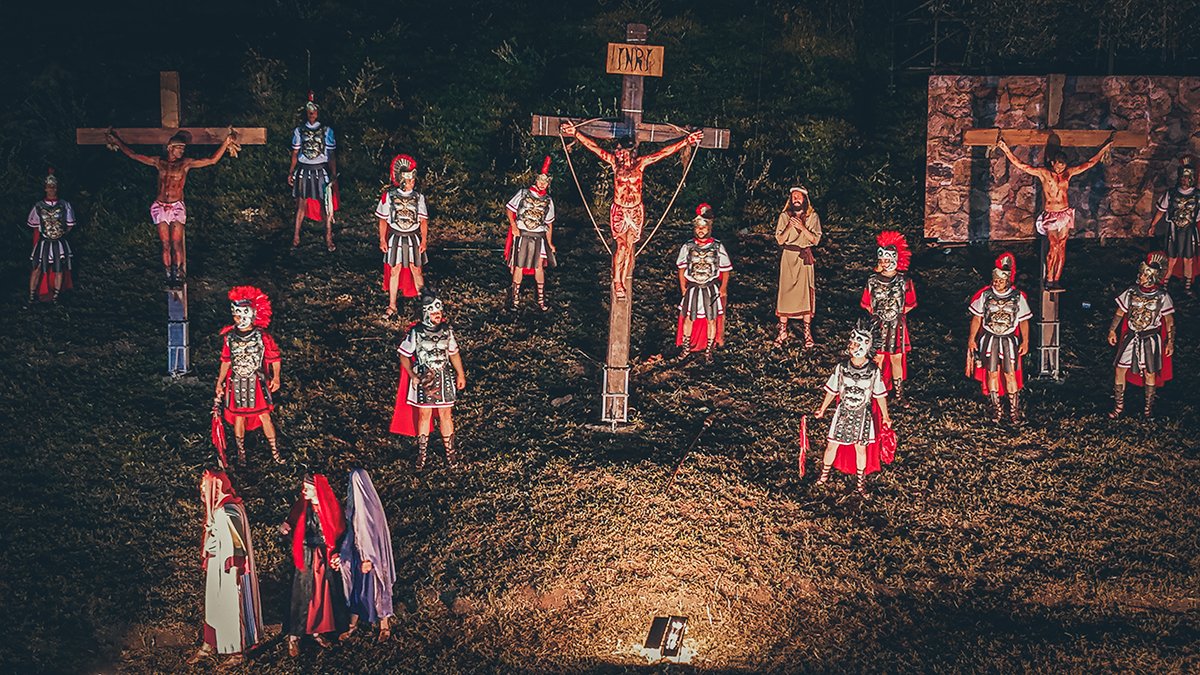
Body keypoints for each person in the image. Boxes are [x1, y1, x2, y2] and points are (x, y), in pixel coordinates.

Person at [560, 123, 703, 299]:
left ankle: (623, 278)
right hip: (620, 210)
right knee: (621, 246)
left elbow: (663, 153)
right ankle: (617, 280)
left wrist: (686, 141)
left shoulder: (640, 164)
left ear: (628, 151)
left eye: (621, 150)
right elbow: (594, 147)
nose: (618, 152)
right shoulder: (615, 163)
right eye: (618, 150)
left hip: (635, 211)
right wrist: (575, 133)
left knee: (629, 248)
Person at [107, 128, 238, 285]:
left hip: (176, 206)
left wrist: (226, 142)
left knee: (176, 243)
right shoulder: (159, 162)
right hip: (160, 205)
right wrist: (117, 142)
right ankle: (168, 273)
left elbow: (211, 160)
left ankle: (179, 273)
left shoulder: (185, 164)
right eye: (179, 148)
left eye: (183, 148)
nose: (182, 151)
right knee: (165, 243)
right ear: (170, 148)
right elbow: (134, 155)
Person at [997, 138, 1113, 288]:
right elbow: (1021, 165)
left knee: (1062, 246)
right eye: (1058, 167)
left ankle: (1056, 279)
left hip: (1064, 213)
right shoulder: (1044, 173)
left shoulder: (1068, 173)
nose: (1059, 170)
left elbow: (1089, 163)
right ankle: (1049, 278)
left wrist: (1104, 149)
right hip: (1051, 214)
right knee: (1054, 245)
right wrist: (1005, 148)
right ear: (1053, 163)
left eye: (1062, 167)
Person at [187, 470, 263, 667]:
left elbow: (236, 545)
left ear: (216, 487)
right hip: (217, 564)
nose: (201, 489)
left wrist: (234, 568)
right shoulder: (222, 507)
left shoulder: (227, 510)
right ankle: (209, 644)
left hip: (228, 569)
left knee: (230, 606)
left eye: (205, 485)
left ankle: (237, 652)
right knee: (213, 603)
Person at [813, 322, 893, 499]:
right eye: (852, 342)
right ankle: (823, 476)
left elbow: (880, 395)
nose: (853, 346)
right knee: (832, 445)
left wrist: (886, 416)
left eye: (858, 343)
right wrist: (822, 409)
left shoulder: (873, 371)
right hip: (842, 413)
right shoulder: (841, 367)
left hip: (863, 415)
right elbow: (832, 390)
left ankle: (860, 484)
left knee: (861, 449)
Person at [389, 293, 467, 470]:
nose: (437, 315)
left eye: (439, 312)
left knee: (446, 414)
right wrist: (412, 375)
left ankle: (450, 452)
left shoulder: (447, 331)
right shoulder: (416, 333)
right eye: (434, 312)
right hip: (426, 378)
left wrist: (460, 374)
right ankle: (422, 453)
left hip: (444, 377)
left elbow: (453, 353)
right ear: (426, 313)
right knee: (424, 414)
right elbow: (404, 354)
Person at [281, 474, 348, 657]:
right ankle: (294, 636)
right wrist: (287, 527)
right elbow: (292, 521)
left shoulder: (331, 506)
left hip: (324, 555)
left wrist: (336, 551)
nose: (304, 491)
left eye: (308, 488)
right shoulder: (302, 506)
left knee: (321, 593)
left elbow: (339, 530)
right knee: (302, 593)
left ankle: (317, 630)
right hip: (305, 555)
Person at [215, 286, 283, 464]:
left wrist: (276, 377)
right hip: (236, 382)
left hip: (257, 382)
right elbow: (226, 360)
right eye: (234, 315)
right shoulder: (230, 337)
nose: (236, 319)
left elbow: (274, 358)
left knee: (265, 416)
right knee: (239, 417)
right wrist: (220, 382)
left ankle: (275, 452)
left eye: (239, 315)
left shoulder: (262, 336)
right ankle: (241, 453)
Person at [966, 253, 1032, 424]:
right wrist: (972, 339)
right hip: (990, 339)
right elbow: (977, 318)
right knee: (992, 373)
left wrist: (1025, 341)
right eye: (995, 280)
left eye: (1000, 281)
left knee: (1010, 374)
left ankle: (1014, 410)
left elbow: (1024, 321)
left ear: (1007, 280)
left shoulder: (1017, 297)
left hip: (1008, 340)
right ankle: (996, 408)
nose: (997, 283)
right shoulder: (985, 295)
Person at [1107, 253, 1175, 418]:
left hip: (1150, 339)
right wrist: (1112, 330)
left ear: (1152, 277)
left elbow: (1169, 320)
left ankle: (1147, 410)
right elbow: (1120, 312)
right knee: (1120, 369)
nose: (1141, 276)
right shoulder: (1131, 291)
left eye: (1144, 274)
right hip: (1131, 337)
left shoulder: (1162, 296)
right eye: (1141, 273)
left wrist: (1170, 342)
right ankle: (1119, 407)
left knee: (1150, 373)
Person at [338, 469, 396, 643]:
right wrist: (345, 554)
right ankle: (352, 624)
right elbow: (352, 532)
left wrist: (369, 559)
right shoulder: (355, 507)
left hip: (371, 557)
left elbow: (372, 535)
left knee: (377, 588)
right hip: (357, 554)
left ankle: (384, 625)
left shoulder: (371, 508)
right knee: (357, 588)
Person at [860, 231, 917, 401]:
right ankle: (876, 389)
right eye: (882, 260)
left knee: (896, 358)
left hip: (896, 325)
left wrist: (896, 316)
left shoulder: (904, 281)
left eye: (887, 259)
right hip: (878, 324)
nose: (884, 263)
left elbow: (910, 303)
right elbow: (867, 303)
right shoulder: (872, 281)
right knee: (877, 357)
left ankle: (899, 393)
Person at [674, 203, 732, 362]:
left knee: (711, 319)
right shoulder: (688, 246)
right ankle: (686, 348)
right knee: (689, 318)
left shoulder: (717, 247)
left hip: (710, 288)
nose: (701, 230)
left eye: (704, 227)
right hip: (693, 288)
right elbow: (681, 268)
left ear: (709, 228)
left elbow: (726, 269)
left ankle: (708, 350)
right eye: (698, 227)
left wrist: (723, 288)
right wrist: (683, 287)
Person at [377, 154, 428, 319]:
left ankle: (424, 304)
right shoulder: (389, 196)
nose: (412, 182)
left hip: (413, 237)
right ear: (402, 180)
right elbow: (383, 220)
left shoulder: (419, 197)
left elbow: (423, 221)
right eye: (409, 180)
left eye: (413, 179)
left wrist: (424, 240)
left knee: (416, 269)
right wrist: (382, 239)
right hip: (395, 237)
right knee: (395, 270)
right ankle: (392, 305)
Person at [505, 156, 557, 311]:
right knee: (519, 265)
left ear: (548, 183)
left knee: (539, 266)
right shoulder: (523, 194)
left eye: (545, 181)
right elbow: (509, 209)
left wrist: (550, 243)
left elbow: (549, 223)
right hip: (523, 233)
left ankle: (541, 299)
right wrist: (513, 226)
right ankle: (515, 299)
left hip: (539, 235)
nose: (542, 183)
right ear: (536, 180)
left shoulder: (548, 200)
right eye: (540, 180)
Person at [288, 92, 338, 251]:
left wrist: (333, 174)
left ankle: (328, 237)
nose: (312, 114)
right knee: (301, 205)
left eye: (314, 111)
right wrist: (291, 172)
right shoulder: (299, 131)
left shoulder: (327, 131)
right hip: (304, 170)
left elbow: (331, 155)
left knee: (326, 205)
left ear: (318, 112)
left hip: (320, 170)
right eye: (309, 111)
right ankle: (296, 236)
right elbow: (295, 153)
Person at [773, 186, 822, 348]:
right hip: (788, 257)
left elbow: (815, 240)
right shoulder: (784, 216)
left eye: (798, 196)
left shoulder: (812, 216)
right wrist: (789, 226)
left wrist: (802, 228)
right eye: (793, 196)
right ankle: (782, 331)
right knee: (785, 293)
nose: (796, 199)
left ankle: (807, 333)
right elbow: (780, 240)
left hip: (803, 258)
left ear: (805, 199)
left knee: (805, 294)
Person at [1149, 159, 1199, 296]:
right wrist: (1153, 225)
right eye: (1182, 177)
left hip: (1189, 231)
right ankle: (1164, 286)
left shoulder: (1198, 196)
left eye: (1187, 177)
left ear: (1192, 178)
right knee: (1171, 259)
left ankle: (1187, 287)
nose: (1184, 180)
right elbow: (1161, 210)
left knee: (1188, 259)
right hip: (1173, 230)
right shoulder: (1171, 194)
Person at [26, 168, 76, 303]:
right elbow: (34, 225)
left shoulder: (64, 205)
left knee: (59, 269)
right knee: (37, 268)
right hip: (44, 242)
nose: (52, 189)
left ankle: (56, 296)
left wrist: (61, 235)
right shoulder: (38, 206)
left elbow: (70, 224)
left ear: (57, 188)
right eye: (49, 186)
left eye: (54, 186)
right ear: (45, 188)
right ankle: (32, 295)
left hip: (59, 242)